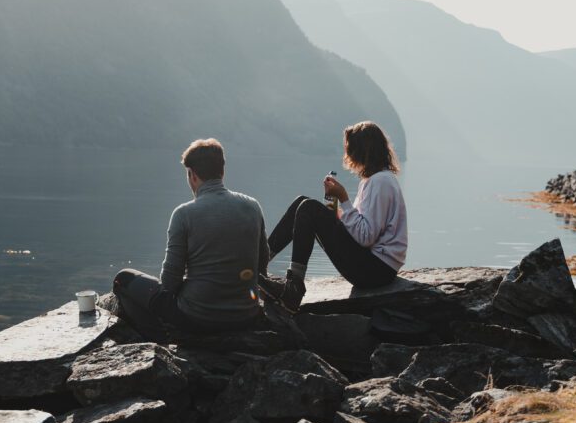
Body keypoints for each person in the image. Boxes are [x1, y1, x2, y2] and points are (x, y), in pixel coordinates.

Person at [112, 138, 267, 341]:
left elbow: (169, 283)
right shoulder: (252, 206)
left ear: (192, 175)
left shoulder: (184, 214)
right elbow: (262, 265)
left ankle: (159, 340)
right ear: (222, 171)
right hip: (246, 315)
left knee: (123, 278)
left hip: (198, 319)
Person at [260, 121, 407, 311]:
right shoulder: (374, 180)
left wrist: (344, 198)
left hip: (375, 271)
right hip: (374, 266)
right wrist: (334, 210)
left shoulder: (381, 183)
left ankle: (293, 288)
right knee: (302, 203)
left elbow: (366, 236)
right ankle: (260, 266)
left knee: (308, 208)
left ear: (362, 150)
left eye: (350, 148)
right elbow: (359, 226)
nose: (348, 155)